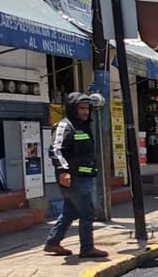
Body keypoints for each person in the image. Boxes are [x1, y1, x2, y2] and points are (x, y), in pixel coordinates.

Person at [43, 92, 109, 258]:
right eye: (81, 108)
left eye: (87, 108)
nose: (85, 111)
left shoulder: (83, 126)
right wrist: (63, 170)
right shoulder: (65, 126)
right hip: (74, 178)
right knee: (87, 213)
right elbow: (55, 150)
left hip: (84, 176)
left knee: (70, 212)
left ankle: (53, 242)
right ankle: (87, 248)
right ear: (73, 109)